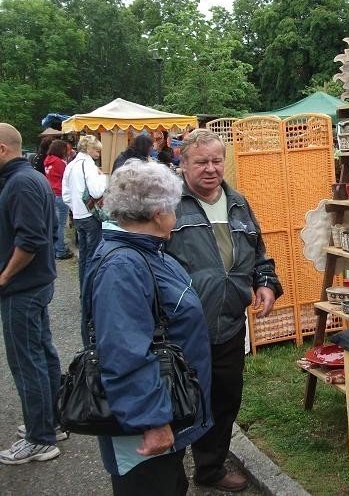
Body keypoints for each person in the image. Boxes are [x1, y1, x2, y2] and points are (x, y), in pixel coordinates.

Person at [82, 159, 212, 494]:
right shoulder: (123, 265)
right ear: (157, 213)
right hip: (146, 424)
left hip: (164, 405)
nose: (176, 214)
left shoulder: (146, 252)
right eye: (173, 207)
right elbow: (124, 351)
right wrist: (152, 422)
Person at [165, 129, 283, 492]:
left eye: (217, 161)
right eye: (201, 162)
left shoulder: (238, 202)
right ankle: (167, 477)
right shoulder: (168, 203)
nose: (211, 169)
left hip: (230, 323)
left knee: (225, 396)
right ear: (182, 163)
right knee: (179, 400)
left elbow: (259, 253)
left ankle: (210, 468)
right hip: (182, 327)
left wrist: (266, 282)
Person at [0, 123, 63, 464]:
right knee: (41, 353)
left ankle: (41, 437)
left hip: (23, 287)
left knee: (27, 361)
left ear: (2, 149)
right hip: (33, 283)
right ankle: (50, 423)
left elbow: (31, 240)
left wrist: (4, 277)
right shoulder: (24, 178)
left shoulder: (22, 182)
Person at [62, 135, 106, 293]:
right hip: (91, 216)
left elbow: (65, 194)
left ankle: (84, 291)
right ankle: (91, 294)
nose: (98, 154)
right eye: (96, 150)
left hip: (78, 216)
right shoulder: (89, 166)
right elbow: (96, 191)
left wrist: (75, 207)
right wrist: (104, 178)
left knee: (84, 256)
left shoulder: (71, 165)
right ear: (88, 149)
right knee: (93, 257)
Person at [44, 139, 73, 259]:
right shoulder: (59, 162)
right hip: (61, 194)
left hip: (51, 193)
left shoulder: (47, 160)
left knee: (54, 223)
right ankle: (60, 251)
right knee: (61, 224)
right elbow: (66, 177)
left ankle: (55, 247)